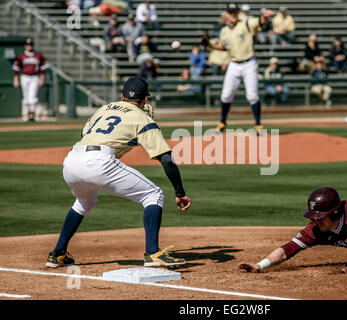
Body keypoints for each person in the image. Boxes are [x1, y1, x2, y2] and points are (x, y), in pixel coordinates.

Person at [46, 77, 191, 269]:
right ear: (145, 100)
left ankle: (58, 254)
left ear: (122, 96)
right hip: (99, 161)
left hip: (72, 160)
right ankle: (153, 253)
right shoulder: (143, 118)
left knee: (84, 202)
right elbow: (166, 159)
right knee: (153, 195)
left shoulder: (104, 108)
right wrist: (180, 193)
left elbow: (87, 134)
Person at [205, 3, 276, 135]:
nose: (232, 14)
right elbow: (224, 46)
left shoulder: (246, 24)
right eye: (230, 12)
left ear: (237, 13)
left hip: (249, 63)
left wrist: (265, 17)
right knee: (226, 95)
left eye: (234, 12)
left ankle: (258, 124)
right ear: (226, 14)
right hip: (233, 64)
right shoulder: (224, 31)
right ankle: (222, 122)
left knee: (252, 96)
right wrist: (210, 45)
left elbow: (260, 22)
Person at [12, 38, 48, 122]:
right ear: (25, 46)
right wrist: (16, 79)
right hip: (24, 77)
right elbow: (16, 69)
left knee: (33, 95)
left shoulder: (38, 55)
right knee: (26, 96)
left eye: (30, 45)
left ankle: (32, 114)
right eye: (28, 45)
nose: (29, 46)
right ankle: (26, 114)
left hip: (35, 77)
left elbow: (43, 68)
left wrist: (42, 79)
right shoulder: (21, 56)